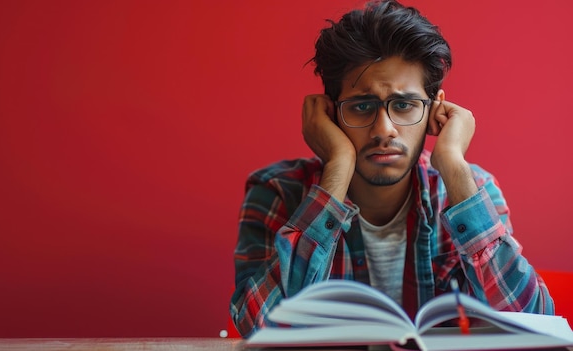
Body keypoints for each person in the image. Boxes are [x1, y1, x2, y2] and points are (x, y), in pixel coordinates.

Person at [229, 0, 554, 338]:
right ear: (329, 114)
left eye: (404, 105)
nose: (384, 129)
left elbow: (536, 324)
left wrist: (455, 166)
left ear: (434, 111)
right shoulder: (277, 191)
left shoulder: (472, 191)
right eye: (362, 106)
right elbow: (257, 328)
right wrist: (338, 165)